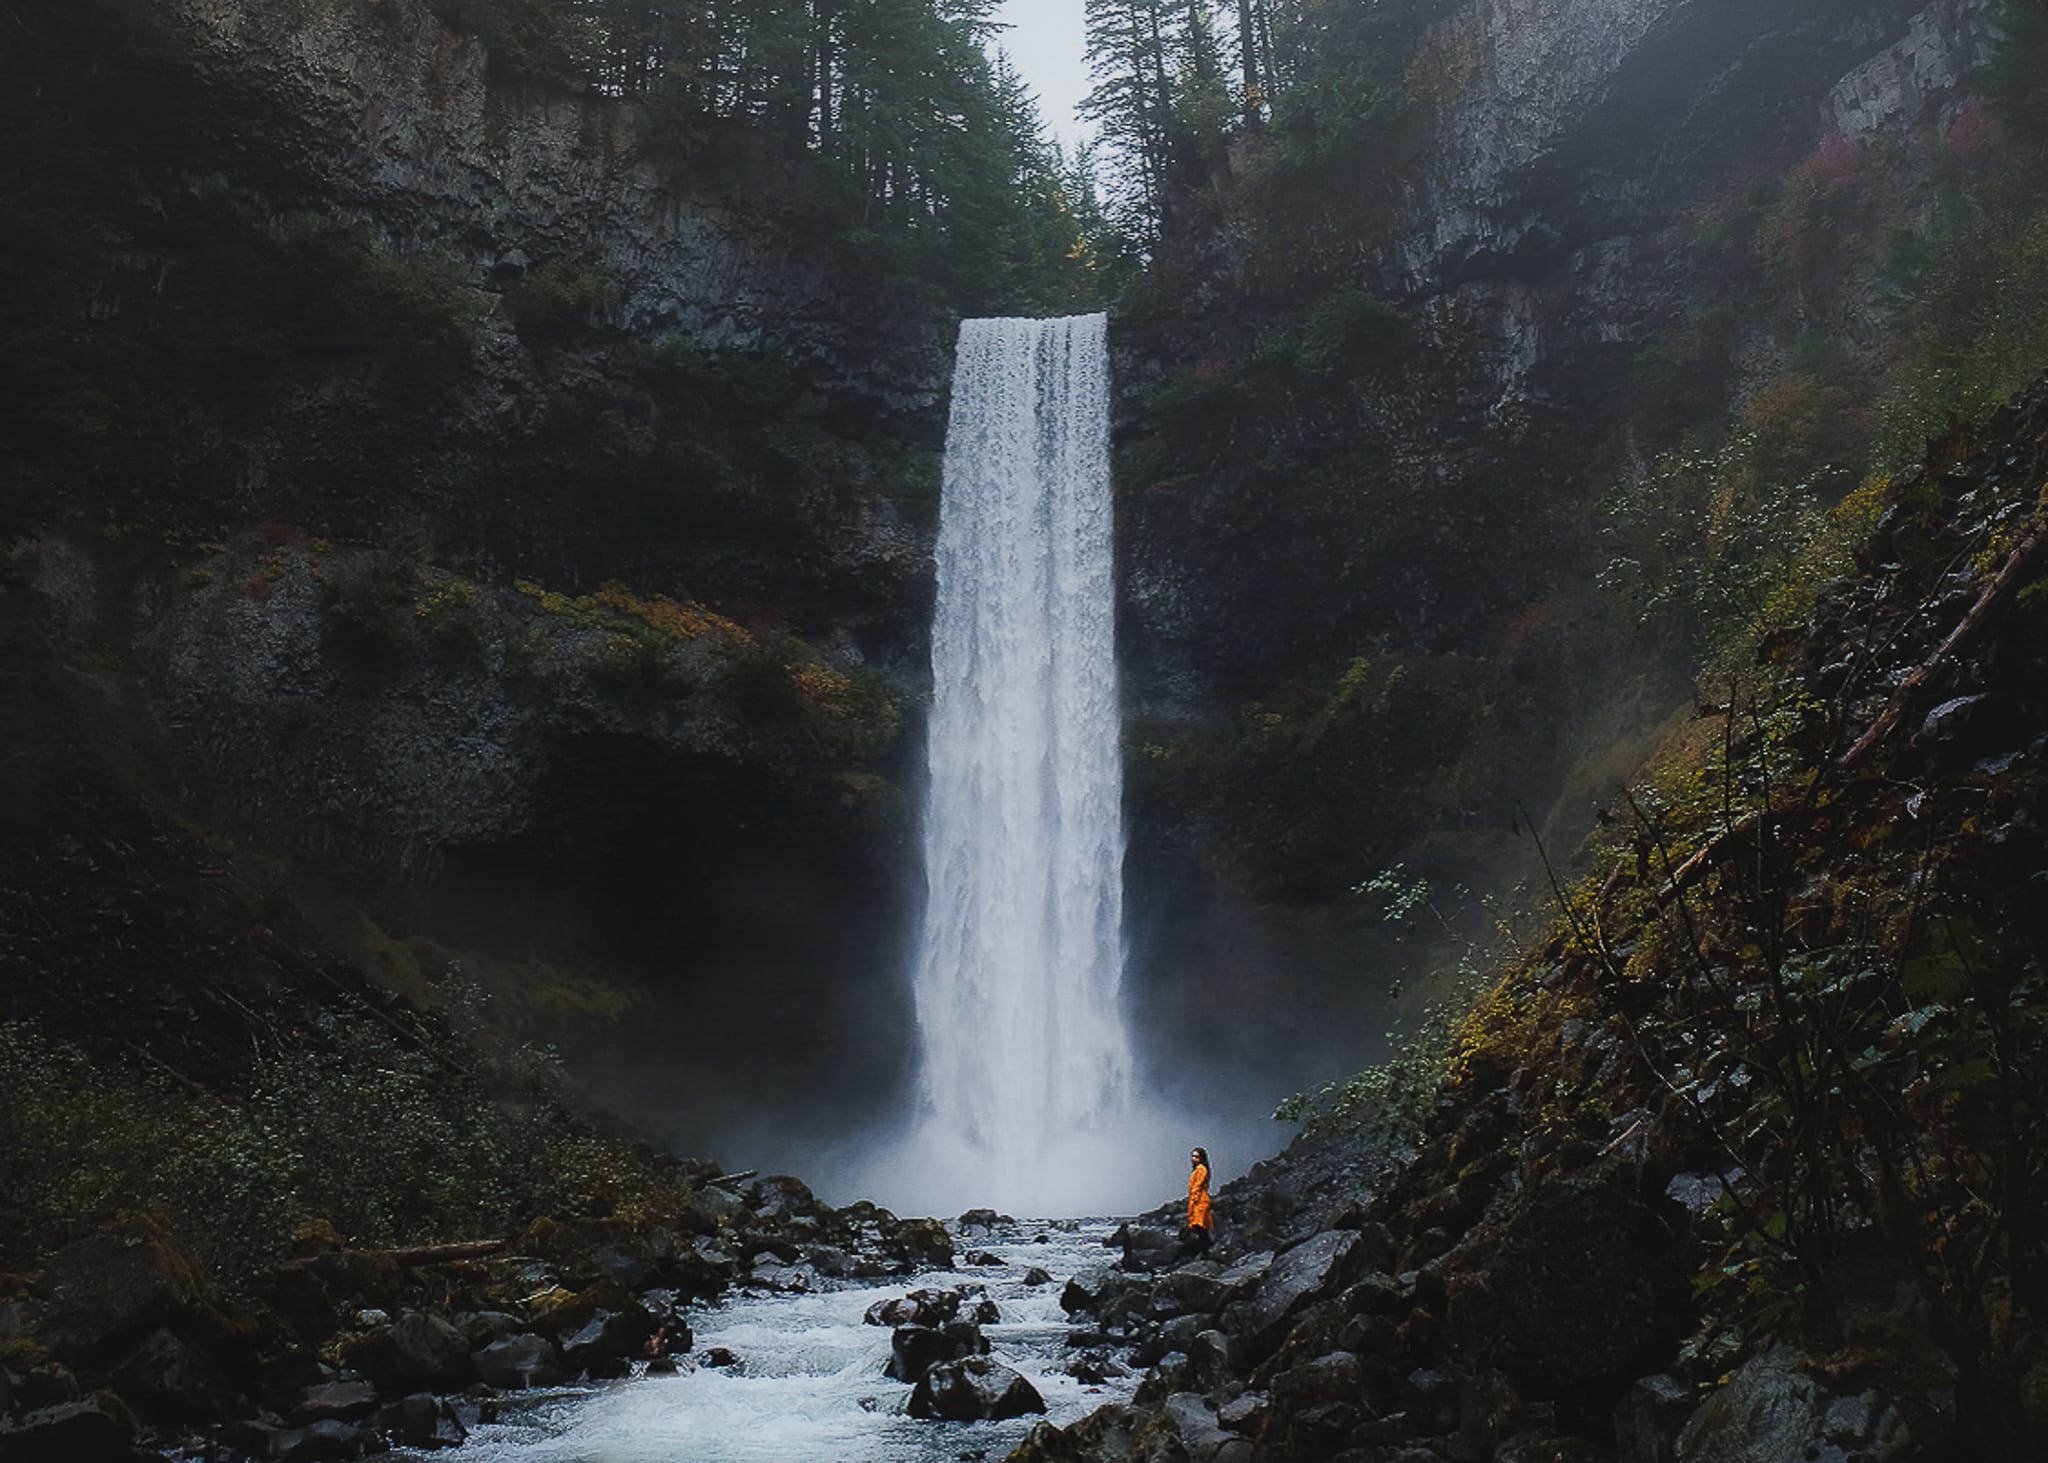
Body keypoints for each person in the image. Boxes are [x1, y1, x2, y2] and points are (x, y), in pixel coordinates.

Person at [1185, 1146, 1213, 1258]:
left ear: (1202, 1158)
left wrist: (1194, 1199)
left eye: (1196, 1156)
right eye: (1192, 1156)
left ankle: (1205, 1252)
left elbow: (1198, 1186)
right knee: (1200, 1227)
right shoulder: (1199, 1169)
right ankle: (1205, 1251)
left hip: (1200, 1201)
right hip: (1198, 1200)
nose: (1194, 1158)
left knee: (1200, 1227)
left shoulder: (1202, 1169)